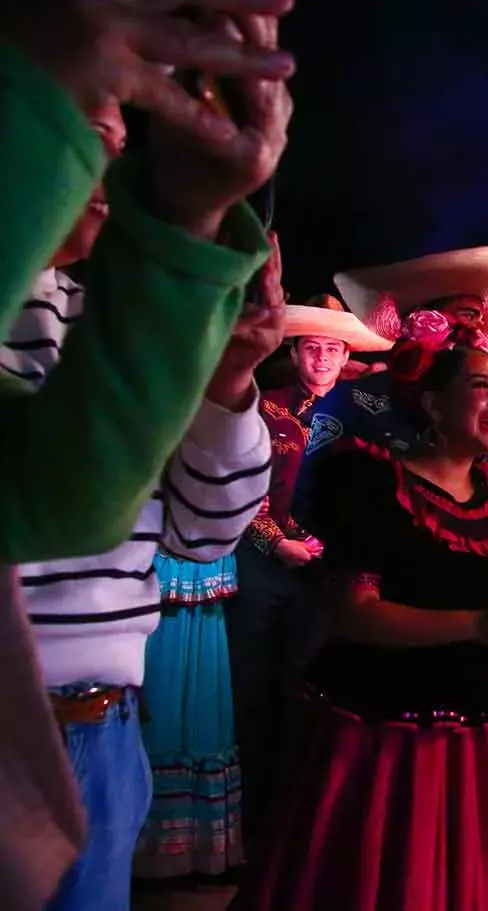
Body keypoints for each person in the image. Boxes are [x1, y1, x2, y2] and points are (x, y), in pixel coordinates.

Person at [0, 5, 293, 906]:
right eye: (92, 110)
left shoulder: (113, 317)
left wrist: (228, 378)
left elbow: (204, 529)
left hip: (107, 734)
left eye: (121, 116)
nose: (114, 127)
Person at [237, 326, 488, 911]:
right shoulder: (374, 483)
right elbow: (355, 614)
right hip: (378, 734)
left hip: (464, 736)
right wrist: (476, 625)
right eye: (481, 387)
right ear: (432, 403)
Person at [227, 292, 392, 851]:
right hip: (262, 564)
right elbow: (238, 484)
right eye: (311, 347)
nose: (321, 358)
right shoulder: (260, 404)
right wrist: (275, 543)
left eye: (332, 348)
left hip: (329, 574)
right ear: (294, 352)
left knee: (311, 690)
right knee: (252, 688)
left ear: (347, 354)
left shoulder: (363, 413)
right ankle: (250, 821)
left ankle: (301, 826)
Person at [295, 245, 488, 480]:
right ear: (422, 321)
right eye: (467, 316)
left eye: (480, 320)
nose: (477, 334)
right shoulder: (352, 401)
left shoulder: (485, 415)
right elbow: (312, 497)